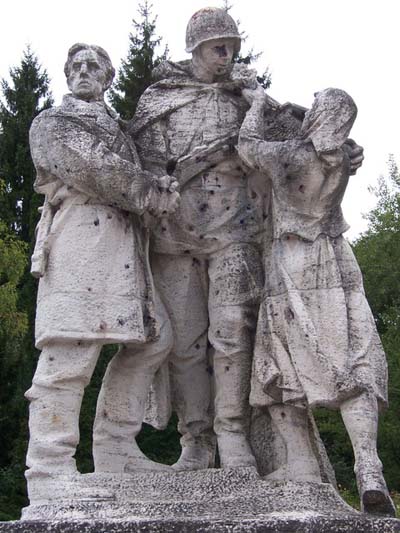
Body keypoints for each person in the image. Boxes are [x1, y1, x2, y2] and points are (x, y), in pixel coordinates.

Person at [26, 43, 179, 497]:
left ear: (109, 77)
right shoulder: (52, 123)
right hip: (78, 238)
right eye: (75, 66)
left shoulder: (123, 133)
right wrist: (150, 189)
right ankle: (48, 470)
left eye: (93, 66)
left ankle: (115, 451)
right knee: (69, 356)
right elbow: (94, 170)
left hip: (124, 246)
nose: (83, 71)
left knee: (156, 339)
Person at [238, 85, 395, 516]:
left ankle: (301, 466)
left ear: (320, 115)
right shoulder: (341, 156)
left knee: (282, 360)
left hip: (295, 258)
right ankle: (368, 466)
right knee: (353, 357)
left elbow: (248, 147)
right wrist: (295, 108)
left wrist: (255, 105)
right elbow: (326, 131)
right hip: (339, 259)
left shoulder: (290, 154)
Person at [131, 7, 264, 470]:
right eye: (217, 46)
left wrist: (339, 149)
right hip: (174, 235)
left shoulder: (248, 98)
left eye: (232, 46)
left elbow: (291, 149)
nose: (227, 55)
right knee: (185, 344)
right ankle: (197, 438)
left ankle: (232, 433)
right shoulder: (159, 98)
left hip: (236, 231)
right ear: (196, 47)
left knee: (233, 334)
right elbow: (143, 162)